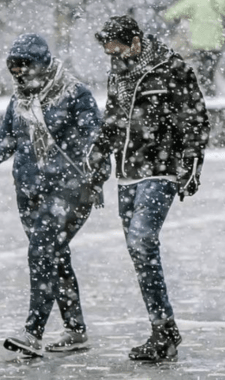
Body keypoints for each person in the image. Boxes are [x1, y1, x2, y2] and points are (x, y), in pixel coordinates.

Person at [0, 33, 109, 357]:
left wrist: (90, 178)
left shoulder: (75, 94)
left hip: (69, 192)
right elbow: (4, 143)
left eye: (25, 64)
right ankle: (76, 331)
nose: (19, 71)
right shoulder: (19, 100)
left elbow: (98, 144)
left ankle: (33, 332)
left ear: (43, 63)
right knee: (55, 256)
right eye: (14, 66)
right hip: (30, 193)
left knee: (42, 253)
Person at [92, 15, 211, 361]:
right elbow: (112, 119)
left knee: (142, 241)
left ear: (136, 41)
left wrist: (192, 161)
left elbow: (195, 115)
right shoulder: (117, 72)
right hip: (126, 172)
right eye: (109, 52)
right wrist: (98, 154)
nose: (115, 57)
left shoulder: (172, 68)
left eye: (118, 49)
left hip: (162, 168)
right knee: (138, 252)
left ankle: (164, 331)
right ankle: (164, 328)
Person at [164, 0, 225, 96]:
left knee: (203, 72)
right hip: (216, 44)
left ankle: (207, 95)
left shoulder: (193, 2)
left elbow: (169, 14)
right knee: (210, 71)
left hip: (200, 44)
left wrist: (183, 16)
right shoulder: (218, 2)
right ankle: (211, 94)